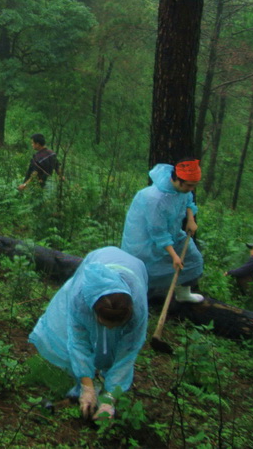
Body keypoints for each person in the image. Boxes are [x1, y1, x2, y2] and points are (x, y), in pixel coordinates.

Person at [29, 246, 148, 421]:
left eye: (115, 326)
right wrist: (87, 387)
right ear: (94, 312)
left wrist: (110, 398)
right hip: (98, 258)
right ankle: (88, 386)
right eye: (104, 323)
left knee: (115, 346)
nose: (109, 330)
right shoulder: (81, 298)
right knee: (77, 337)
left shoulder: (138, 309)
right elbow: (79, 342)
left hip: (134, 268)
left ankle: (104, 389)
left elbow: (127, 353)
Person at [121, 159, 205, 303]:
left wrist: (191, 219)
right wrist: (174, 256)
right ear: (176, 179)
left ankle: (183, 294)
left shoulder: (183, 189)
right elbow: (157, 232)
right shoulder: (155, 199)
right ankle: (137, 299)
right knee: (149, 270)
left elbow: (188, 200)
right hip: (146, 241)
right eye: (189, 185)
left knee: (193, 258)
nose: (191, 189)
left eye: (194, 186)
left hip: (173, 233)